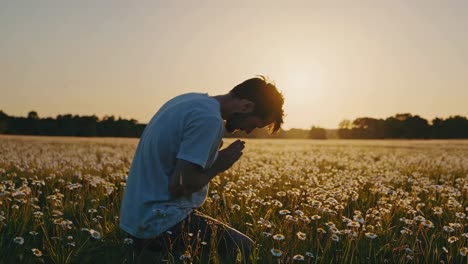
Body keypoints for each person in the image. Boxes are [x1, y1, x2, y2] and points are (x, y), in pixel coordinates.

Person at [119, 76, 284, 263]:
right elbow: (179, 186)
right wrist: (218, 165)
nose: (248, 131)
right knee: (245, 248)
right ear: (245, 107)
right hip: (158, 221)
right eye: (254, 125)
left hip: (135, 217)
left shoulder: (190, 100)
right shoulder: (209, 120)